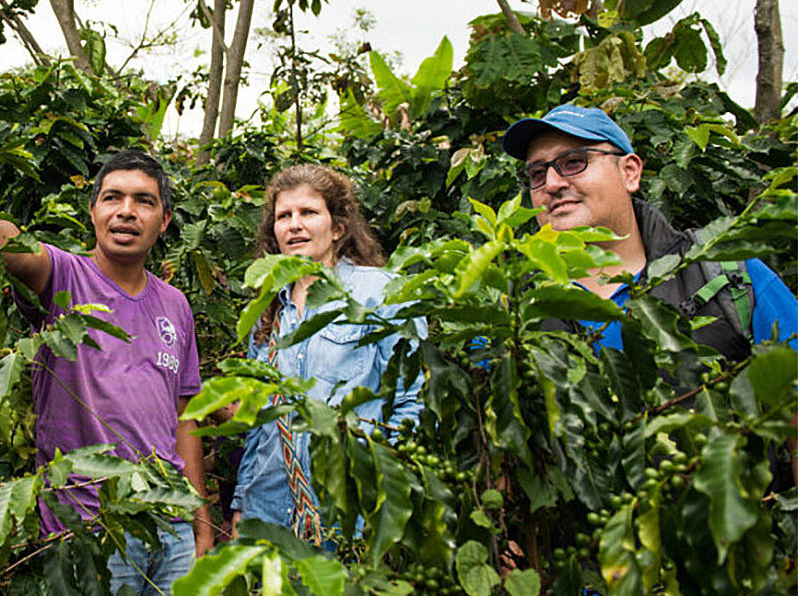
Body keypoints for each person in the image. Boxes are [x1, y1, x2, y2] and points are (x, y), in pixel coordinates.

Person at [0, 150, 213, 594]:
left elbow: (184, 414)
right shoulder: (66, 276)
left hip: (171, 527)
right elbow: (20, 250)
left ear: (165, 220)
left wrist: (199, 518)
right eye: (112, 197)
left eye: (144, 201)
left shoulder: (176, 304)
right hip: (89, 529)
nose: (126, 211)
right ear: (93, 211)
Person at [501, 103, 798, 359]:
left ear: (629, 172)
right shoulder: (510, 301)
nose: (552, 184)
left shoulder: (728, 275)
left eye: (574, 162)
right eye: (537, 174)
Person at [230, 164, 427, 542]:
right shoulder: (266, 311)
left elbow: (414, 402)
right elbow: (260, 425)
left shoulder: (380, 294)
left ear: (338, 228)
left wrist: (380, 486)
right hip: (268, 515)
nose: (294, 225)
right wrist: (242, 504)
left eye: (308, 213)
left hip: (351, 518)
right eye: (283, 216)